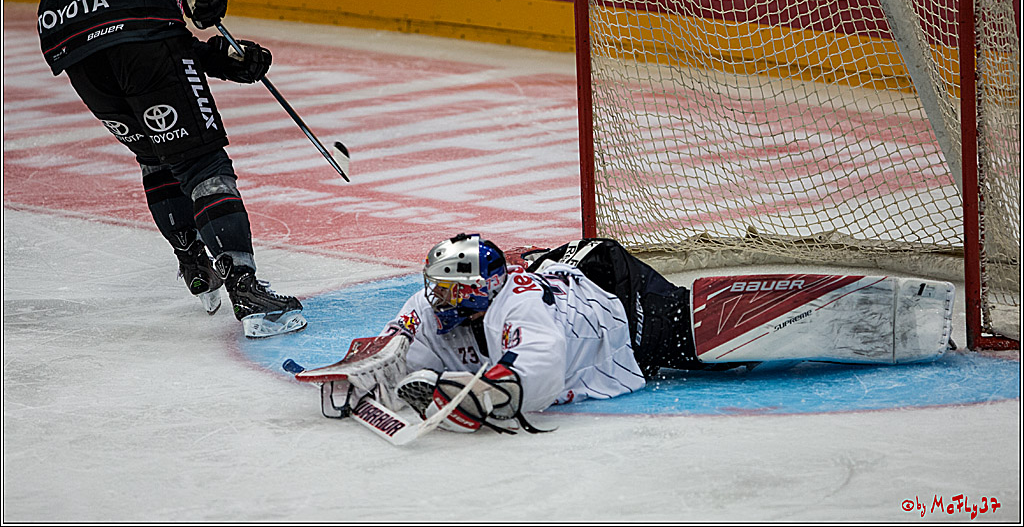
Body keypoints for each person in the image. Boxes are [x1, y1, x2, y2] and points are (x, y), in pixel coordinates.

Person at [35, 0, 305, 338]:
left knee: (159, 156)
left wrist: (219, 59)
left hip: (74, 49)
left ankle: (194, 263)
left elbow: (137, 36)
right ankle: (246, 290)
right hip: (132, 36)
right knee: (202, 163)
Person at [350, 233, 954, 435]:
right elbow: (399, 341)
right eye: (437, 285)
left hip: (622, 307)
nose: (440, 297)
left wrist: (483, 395)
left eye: (453, 287)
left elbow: (540, 366)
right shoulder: (437, 303)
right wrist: (383, 368)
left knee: (702, 345)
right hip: (567, 265)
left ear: (485, 286)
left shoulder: (518, 309)